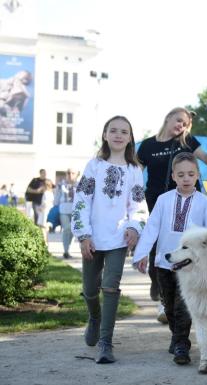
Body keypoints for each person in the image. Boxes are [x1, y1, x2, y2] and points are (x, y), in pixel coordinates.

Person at [133, 152, 207, 366]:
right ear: (173, 176)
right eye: (181, 175)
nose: (186, 178)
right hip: (164, 263)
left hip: (191, 267)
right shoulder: (163, 201)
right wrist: (141, 253)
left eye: (191, 174)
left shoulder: (205, 203)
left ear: (198, 175)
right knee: (169, 307)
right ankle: (176, 337)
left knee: (183, 307)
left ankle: (182, 344)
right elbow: (152, 229)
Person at [72, 115, 145, 364]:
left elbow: (137, 204)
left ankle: (106, 342)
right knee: (90, 289)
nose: (118, 135)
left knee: (110, 286)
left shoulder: (135, 170)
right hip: (92, 236)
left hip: (117, 238)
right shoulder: (94, 165)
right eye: (113, 130)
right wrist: (83, 235)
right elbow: (82, 200)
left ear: (130, 138)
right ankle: (94, 316)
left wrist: (134, 227)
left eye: (124, 131)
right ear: (105, 134)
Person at [136, 107, 207, 323]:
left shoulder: (186, 142)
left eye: (186, 124)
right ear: (168, 117)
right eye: (179, 121)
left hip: (188, 200)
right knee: (158, 246)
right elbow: (135, 171)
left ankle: (181, 301)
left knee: (186, 246)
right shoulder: (148, 145)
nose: (181, 126)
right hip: (158, 200)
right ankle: (161, 289)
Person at [54, 168, 79, 258]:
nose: (70, 175)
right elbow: (57, 196)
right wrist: (55, 207)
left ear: (77, 174)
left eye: (73, 173)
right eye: (68, 173)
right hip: (63, 210)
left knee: (73, 230)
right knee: (67, 229)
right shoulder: (61, 184)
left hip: (76, 210)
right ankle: (65, 251)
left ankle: (68, 249)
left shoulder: (80, 184)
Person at [35, 179, 54, 244]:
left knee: (43, 228)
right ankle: (46, 242)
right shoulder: (51, 193)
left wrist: (40, 208)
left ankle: (45, 243)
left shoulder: (46, 193)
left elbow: (45, 203)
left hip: (44, 212)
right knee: (46, 229)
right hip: (49, 211)